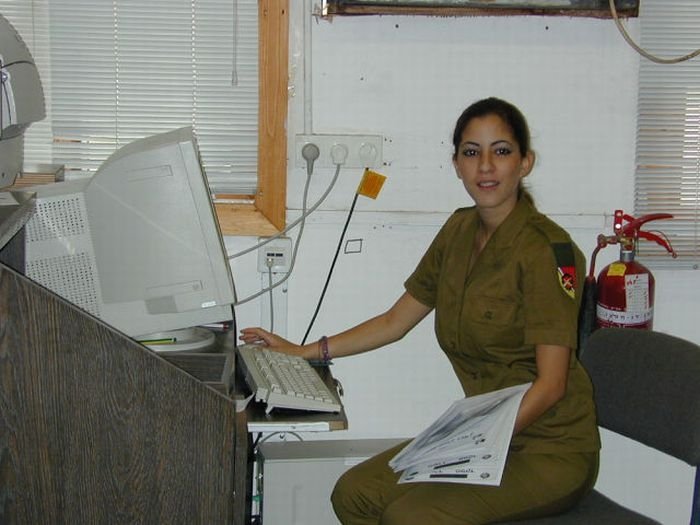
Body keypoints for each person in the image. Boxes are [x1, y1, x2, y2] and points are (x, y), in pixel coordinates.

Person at [240, 97, 600, 525]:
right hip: (484, 440)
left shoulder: (547, 250)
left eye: (501, 151)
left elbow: (552, 385)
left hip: (550, 450)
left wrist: (472, 443)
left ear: (525, 163)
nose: (486, 165)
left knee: (412, 517)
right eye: (472, 152)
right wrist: (303, 352)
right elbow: (395, 322)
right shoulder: (458, 231)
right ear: (456, 165)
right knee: (355, 494)